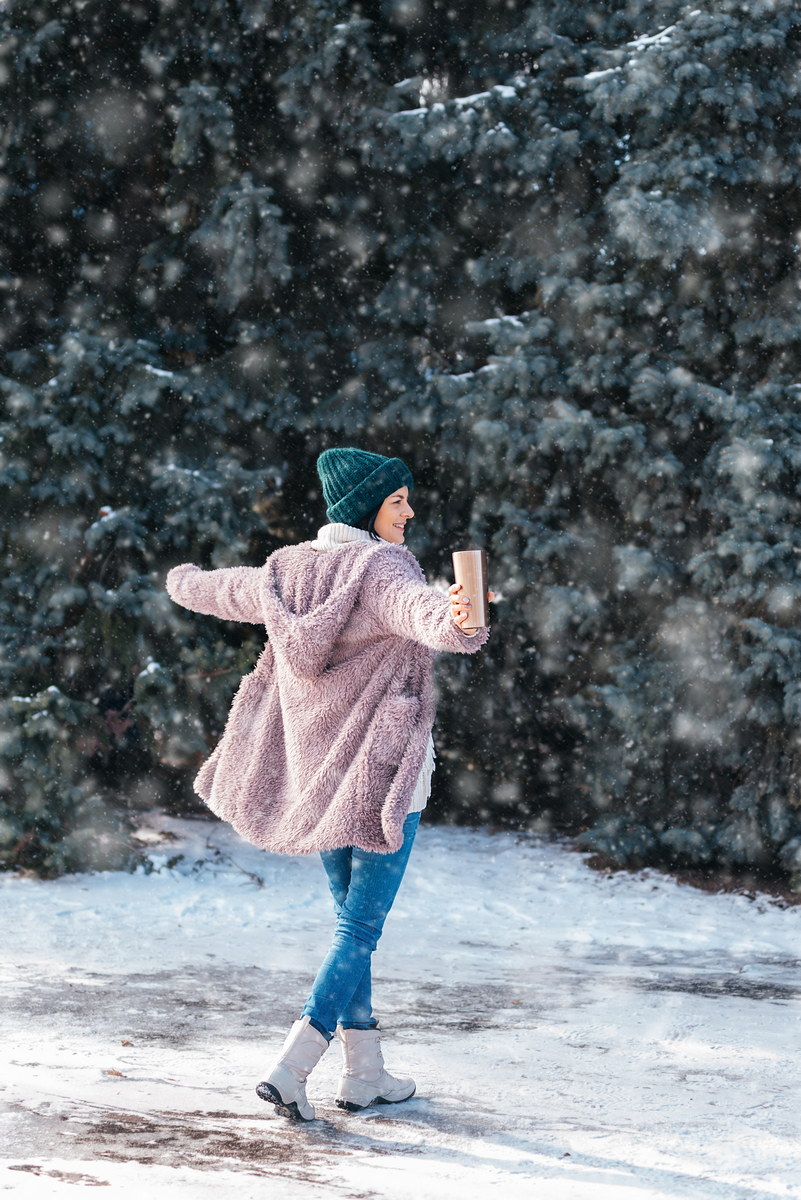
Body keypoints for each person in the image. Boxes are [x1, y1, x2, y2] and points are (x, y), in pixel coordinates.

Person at [166, 447, 491, 1121]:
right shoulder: (379, 568)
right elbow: (420, 613)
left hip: (316, 776)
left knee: (352, 928)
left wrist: (182, 582)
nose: (409, 511)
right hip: (382, 779)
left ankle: (364, 1072)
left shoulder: (289, 569)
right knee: (360, 928)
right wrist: (461, 616)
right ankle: (294, 1064)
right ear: (368, 505)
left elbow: (226, 590)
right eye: (398, 500)